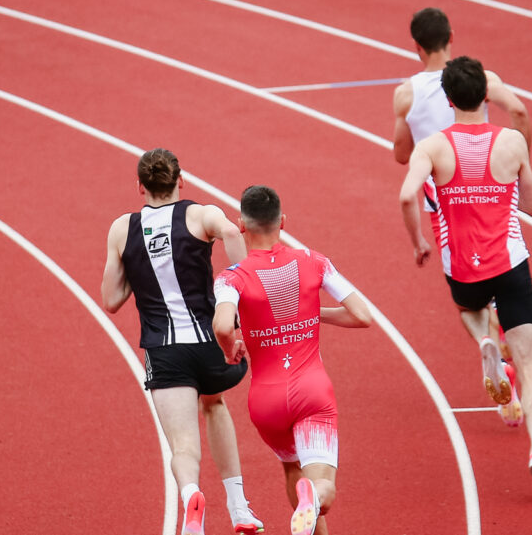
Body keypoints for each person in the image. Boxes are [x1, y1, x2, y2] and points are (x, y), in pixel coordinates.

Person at [399, 57, 532, 499]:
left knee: (469, 310)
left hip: (463, 268)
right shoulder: (511, 142)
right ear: (485, 97)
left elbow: (406, 195)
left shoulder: (432, 147)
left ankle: (484, 343)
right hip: (510, 264)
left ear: (449, 100)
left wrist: (418, 241)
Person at [100, 148, 263, 535]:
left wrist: (140, 271)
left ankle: (191, 495)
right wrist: (237, 297)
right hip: (209, 342)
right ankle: (239, 508)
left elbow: (110, 299)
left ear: (140, 186)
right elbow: (229, 230)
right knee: (215, 404)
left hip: (165, 349)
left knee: (183, 446)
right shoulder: (199, 214)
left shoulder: (123, 228)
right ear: (181, 181)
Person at [213, 185, 379, 535]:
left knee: (292, 468)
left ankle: (307, 501)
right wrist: (316, 315)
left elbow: (223, 324)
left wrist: (232, 348)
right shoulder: (314, 261)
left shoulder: (231, 277)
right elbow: (362, 315)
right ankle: (313, 495)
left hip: (266, 401)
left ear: (242, 225)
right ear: (283, 222)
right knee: (323, 491)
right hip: (312, 393)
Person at [391, 7, 530, 421]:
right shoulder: (480, 80)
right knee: (503, 264)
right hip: (492, 186)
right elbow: (520, 111)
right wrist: (523, 161)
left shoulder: (406, 93)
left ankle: (490, 346)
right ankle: (505, 336)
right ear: (452, 35)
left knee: (468, 291)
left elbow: (401, 155)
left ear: (416, 46)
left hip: (445, 202)